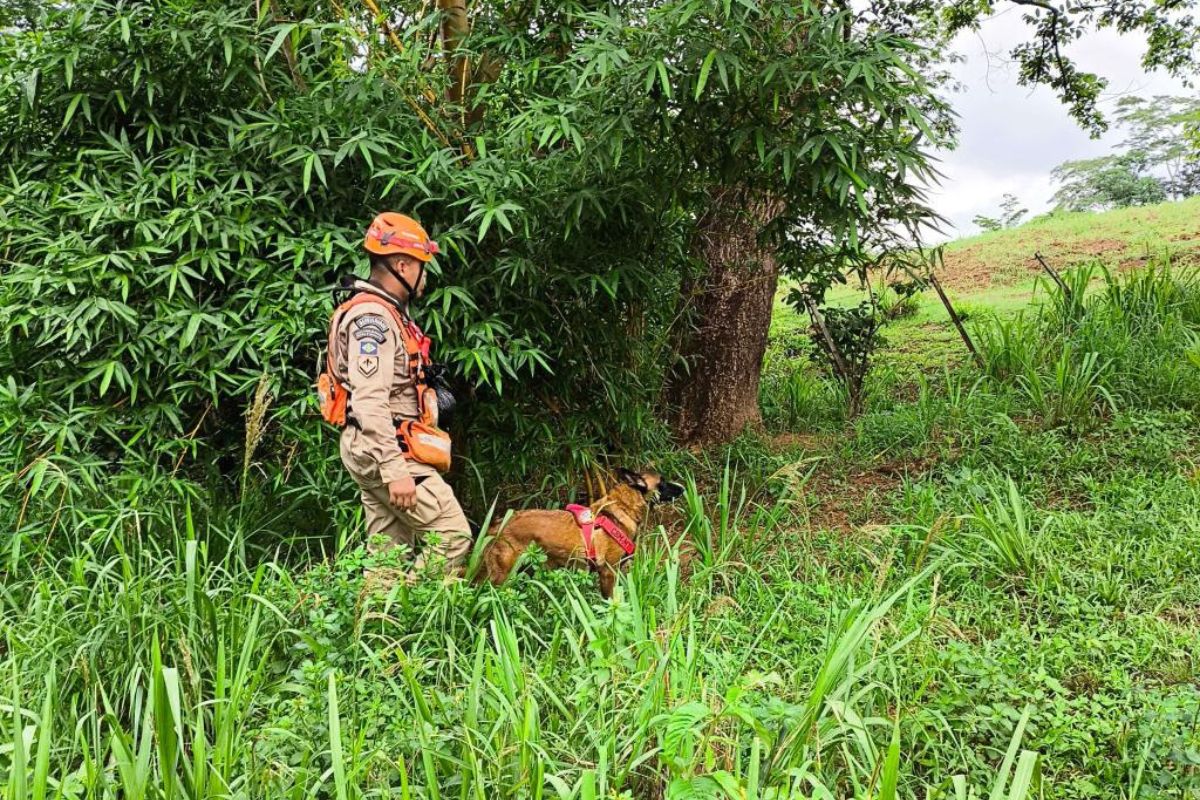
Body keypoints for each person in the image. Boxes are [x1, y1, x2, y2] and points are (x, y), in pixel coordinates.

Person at [320, 212, 471, 580]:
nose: (425, 276)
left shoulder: (386, 313)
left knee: (388, 558)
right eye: (422, 265)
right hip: (388, 450)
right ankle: (416, 609)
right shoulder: (373, 320)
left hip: (376, 447)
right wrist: (395, 470)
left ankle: (378, 630)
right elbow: (370, 402)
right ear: (402, 264)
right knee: (453, 536)